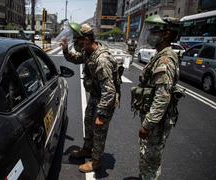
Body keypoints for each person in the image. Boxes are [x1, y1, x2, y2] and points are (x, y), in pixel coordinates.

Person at [60, 23, 119, 173]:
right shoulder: (88, 52)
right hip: (95, 96)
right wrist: (66, 50)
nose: (76, 43)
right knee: (88, 124)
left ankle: (96, 161)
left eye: (78, 40)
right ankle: (87, 150)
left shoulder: (102, 60)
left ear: (87, 39)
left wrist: (102, 114)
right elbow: (76, 58)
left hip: (105, 100)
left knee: (99, 130)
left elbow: (110, 90)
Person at [131, 15, 183, 180]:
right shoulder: (160, 55)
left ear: (166, 34)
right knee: (147, 155)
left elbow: (162, 97)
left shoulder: (165, 60)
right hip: (154, 120)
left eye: (155, 31)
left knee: (151, 159)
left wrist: (147, 125)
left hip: (156, 123)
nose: (151, 34)